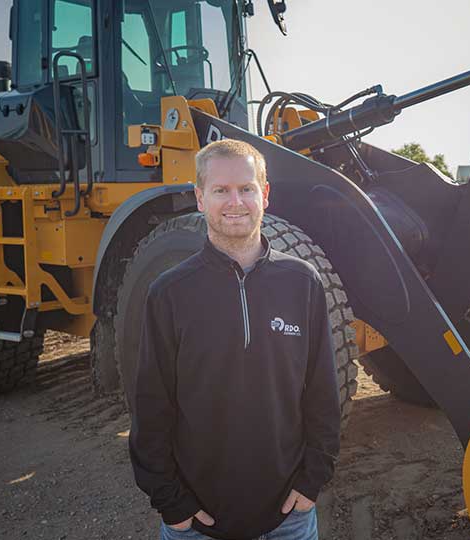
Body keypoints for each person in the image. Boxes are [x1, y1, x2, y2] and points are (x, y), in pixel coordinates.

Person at [129, 139, 341, 540]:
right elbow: (151, 405)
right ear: (199, 198)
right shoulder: (169, 292)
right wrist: (170, 502)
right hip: (196, 523)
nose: (235, 202)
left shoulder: (302, 283)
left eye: (246, 189)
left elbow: (322, 394)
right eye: (220, 190)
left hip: (288, 520)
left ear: (265, 195)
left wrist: (312, 480)